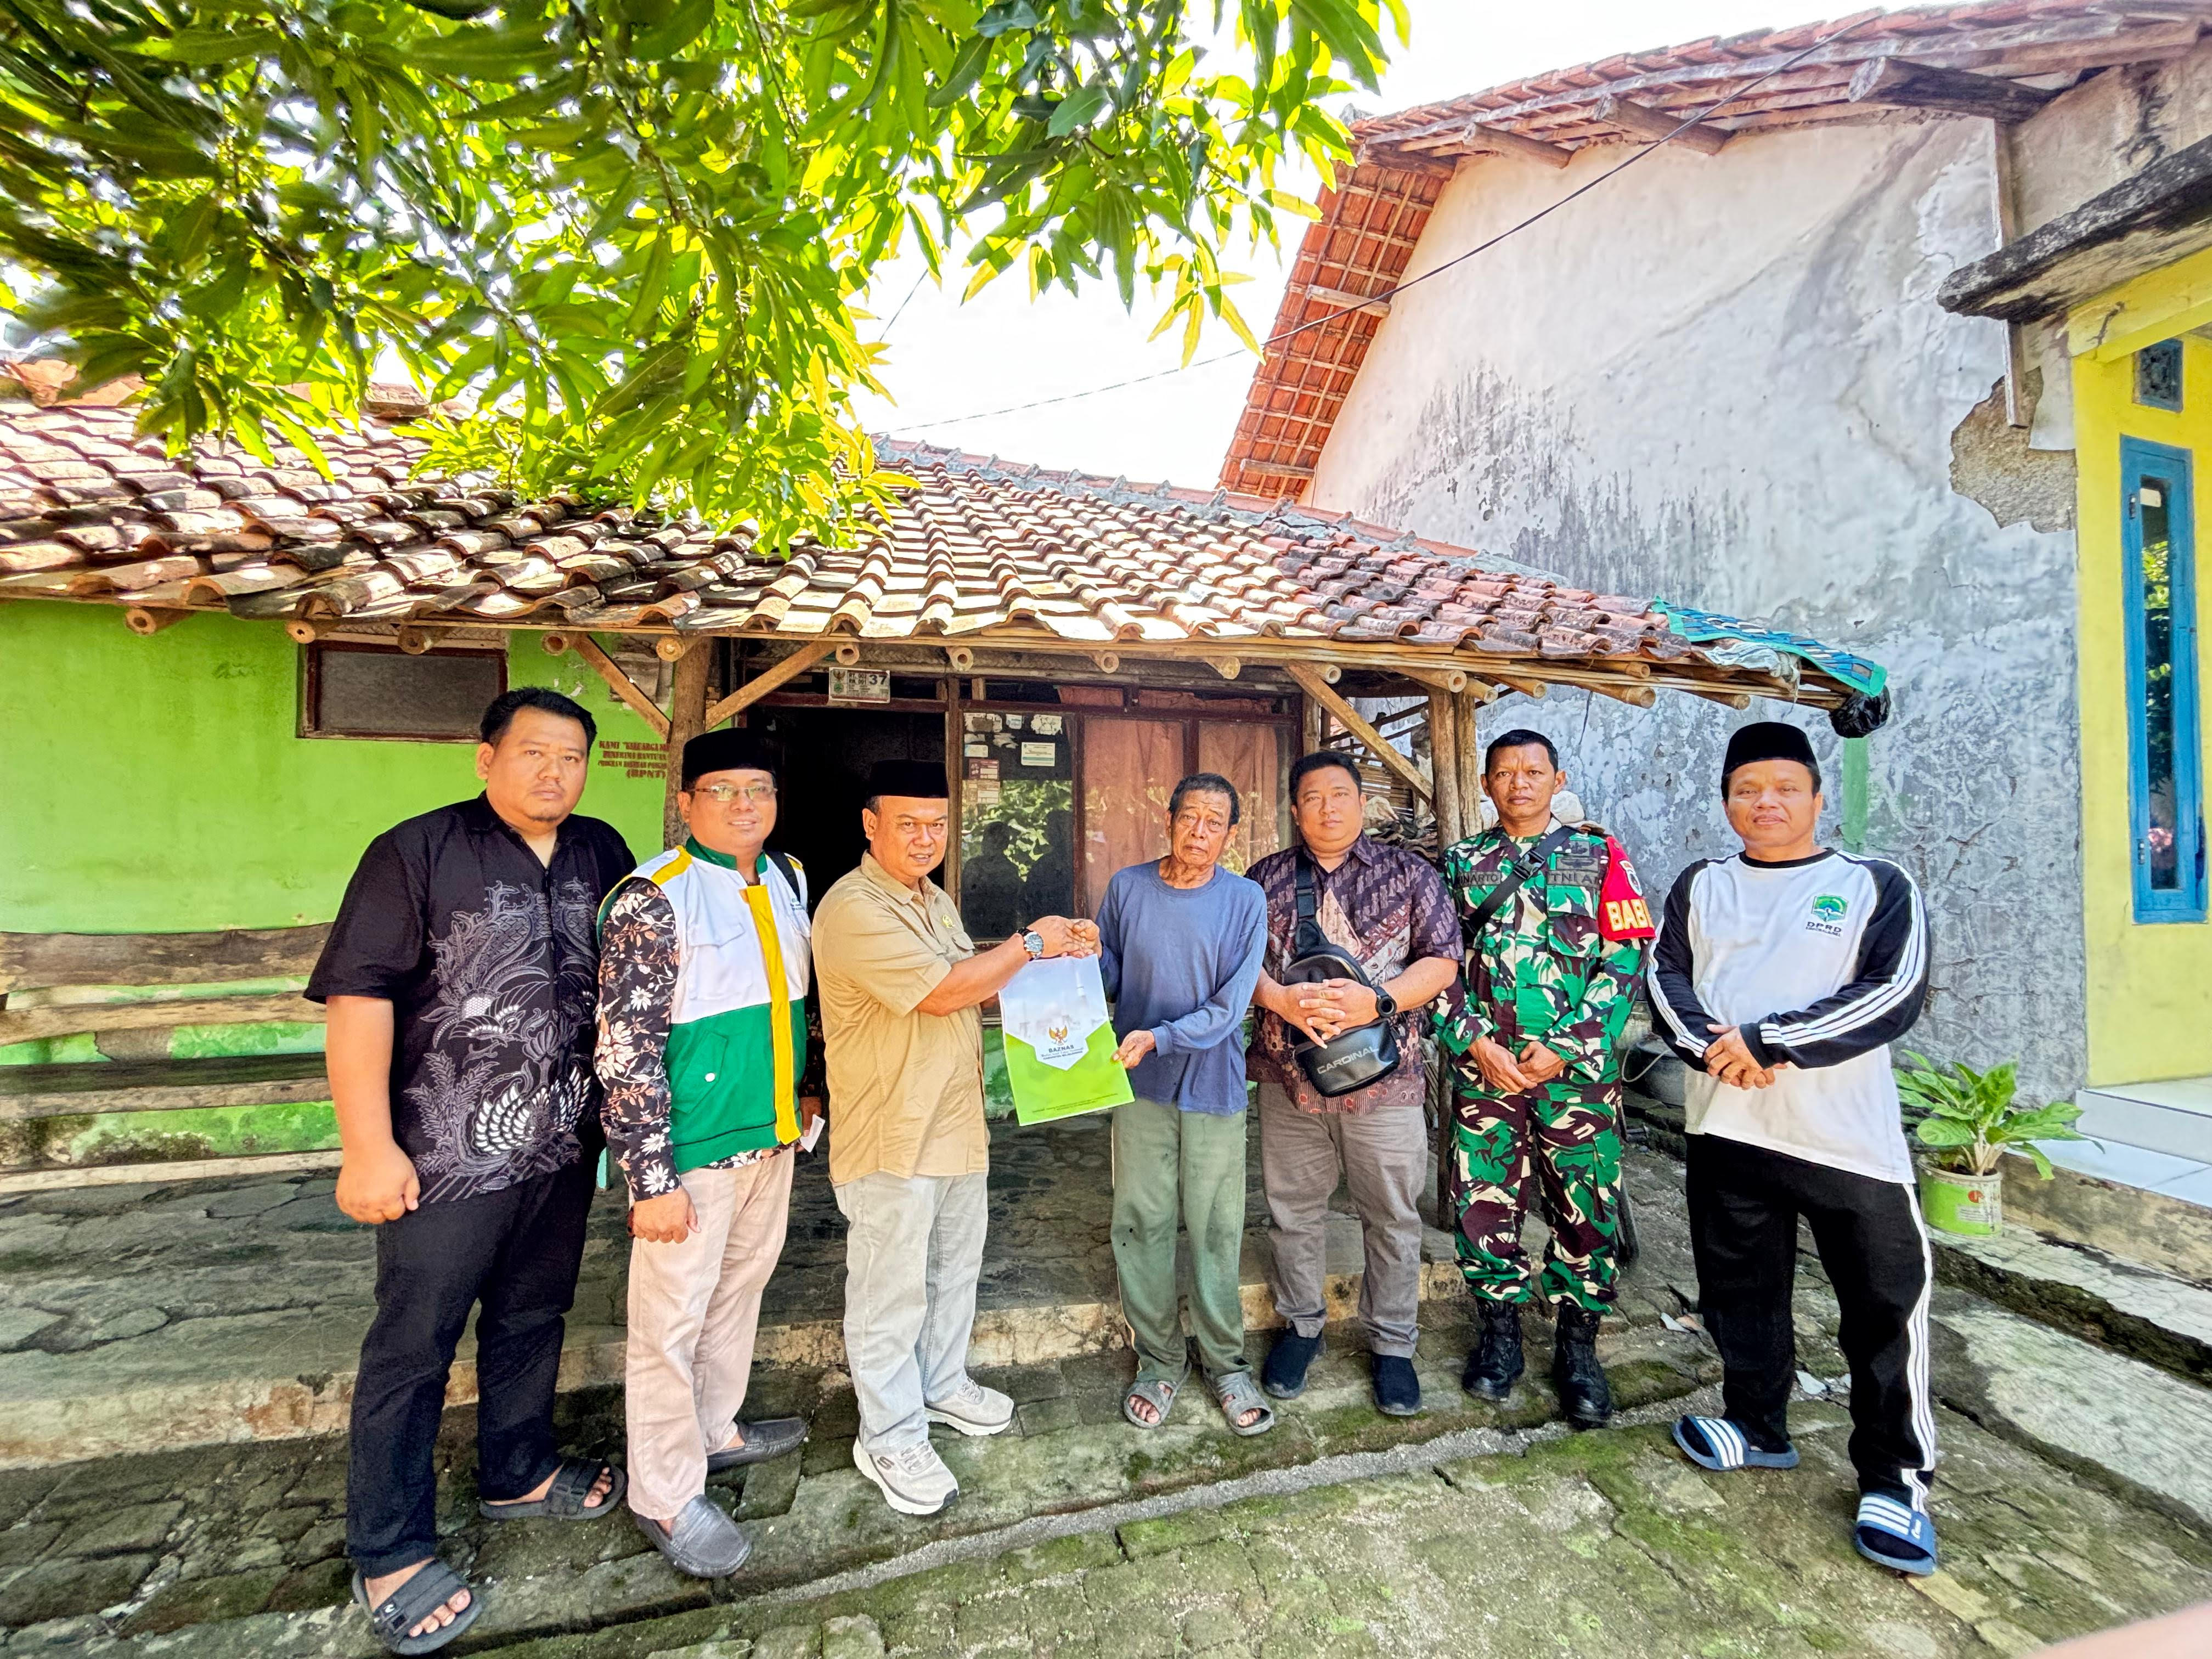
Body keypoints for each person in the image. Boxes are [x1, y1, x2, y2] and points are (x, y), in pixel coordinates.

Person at [309, 689, 631, 1655]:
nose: (554, 773)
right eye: (534, 752)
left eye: (571, 757)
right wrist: (367, 1145)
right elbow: (358, 998)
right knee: (414, 1341)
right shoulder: (415, 851)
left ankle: (518, 1468)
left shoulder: (600, 851)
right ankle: (392, 1545)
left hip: (562, 1142)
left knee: (535, 1312)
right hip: (445, 1150)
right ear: (485, 756)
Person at [1649, 721, 1937, 1576]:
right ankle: (1756, 1425)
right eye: (1746, 790)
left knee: (1884, 1311)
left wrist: (1768, 1041)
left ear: (1816, 797)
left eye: (1782, 789)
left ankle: (1897, 1478)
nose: (1764, 804)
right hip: (1726, 1128)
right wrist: (1711, 1047)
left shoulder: (1873, 885)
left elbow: (1893, 993)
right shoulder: (1702, 885)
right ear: (1727, 801)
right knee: (1742, 1293)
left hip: (1845, 1140)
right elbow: (1663, 979)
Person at [811, 760, 1098, 1516]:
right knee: (889, 1292)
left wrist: (1060, 947)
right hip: (891, 1134)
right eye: (907, 823)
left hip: (952, 1122)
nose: (925, 838)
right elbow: (945, 993)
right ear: (870, 826)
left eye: (937, 825)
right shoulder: (851, 908)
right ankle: (889, 1433)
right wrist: (1030, 946)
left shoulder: (930, 898)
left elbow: (974, 969)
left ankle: (939, 1387)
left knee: (952, 1271)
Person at [595, 730, 819, 1579]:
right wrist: (649, 1177)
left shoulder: (789, 878)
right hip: (688, 1153)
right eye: (722, 791)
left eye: (757, 788)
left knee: (739, 1289)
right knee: (668, 1324)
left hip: (770, 1137)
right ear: (687, 802)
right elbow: (625, 1049)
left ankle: (713, 1429)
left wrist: (808, 1092)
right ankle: (661, 1491)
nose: (743, 805)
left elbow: (796, 1005)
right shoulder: (654, 897)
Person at [1435, 729, 1655, 1429]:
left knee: (1585, 1208)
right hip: (1489, 1072)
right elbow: (1434, 962)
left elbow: (1626, 959)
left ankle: (1577, 1347)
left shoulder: (1600, 855)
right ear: (1485, 784)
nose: (1519, 783)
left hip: (1577, 1079)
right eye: (1505, 773)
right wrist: (1473, 1043)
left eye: (1533, 772)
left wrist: (1568, 1044)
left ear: (1557, 780)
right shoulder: (1462, 863)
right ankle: (1499, 1338)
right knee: (1484, 1203)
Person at [1246, 751, 1461, 1416]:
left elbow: (1444, 962)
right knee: (1293, 1212)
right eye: (1313, 797)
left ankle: (1394, 1345)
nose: (1329, 808)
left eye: (1341, 794)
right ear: (1294, 809)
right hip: (1290, 1080)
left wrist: (1381, 1002)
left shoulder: (1410, 874)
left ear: (1362, 802)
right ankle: (1302, 1325)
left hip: (1386, 1082)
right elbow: (1236, 965)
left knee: (1393, 1217)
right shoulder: (1265, 880)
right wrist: (1279, 1001)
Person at [1095, 772, 1271, 1437]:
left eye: (1214, 822)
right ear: (1167, 819)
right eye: (1189, 816)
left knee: (1217, 1225)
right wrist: (1078, 954)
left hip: (1213, 1084)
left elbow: (1231, 1008)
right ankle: (1159, 1361)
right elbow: (1110, 975)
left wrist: (1161, 1035)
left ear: (1230, 834)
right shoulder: (1127, 887)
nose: (1200, 831)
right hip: (1137, 1085)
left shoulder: (1245, 900)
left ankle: (1226, 1363)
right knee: (1141, 1221)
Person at [960, 819, 1025, 938]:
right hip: (979, 931)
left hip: (996, 932)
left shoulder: (975, 867)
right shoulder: (1010, 869)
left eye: (990, 839)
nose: (986, 843)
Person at [1023, 808, 1076, 923]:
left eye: (1052, 828)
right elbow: (1029, 901)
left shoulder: (1082, 864)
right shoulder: (1043, 865)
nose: (1047, 833)